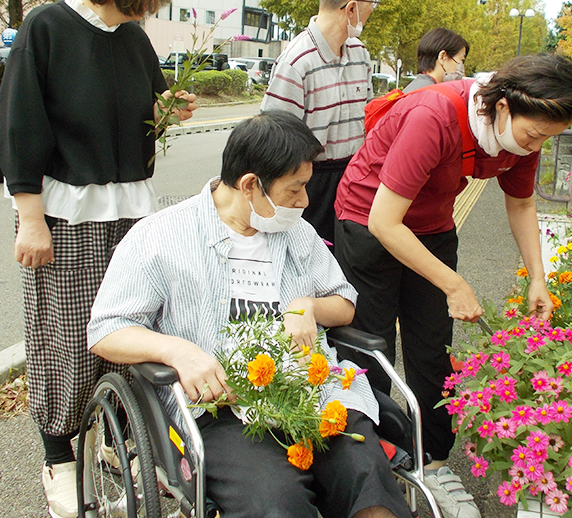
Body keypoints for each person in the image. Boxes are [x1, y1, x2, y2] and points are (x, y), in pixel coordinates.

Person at [87, 111, 412, 518]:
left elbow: (344, 303)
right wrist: (178, 352)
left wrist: (306, 305)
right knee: (276, 501)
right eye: (295, 190)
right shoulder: (159, 238)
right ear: (250, 186)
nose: (305, 202)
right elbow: (106, 330)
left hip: (312, 394)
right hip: (221, 408)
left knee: (368, 482)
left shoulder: (297, 233)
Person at [0, 0, 197, 518]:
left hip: (129, 210)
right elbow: (18, 126)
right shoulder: (48, 27)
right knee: (65, 337)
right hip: (64, 213)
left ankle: (118, 442)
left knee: (129, 329)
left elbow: (142, 106)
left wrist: (167, 110)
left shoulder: (131, 38)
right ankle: (59, 459)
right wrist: (30, 218)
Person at [334, 54, 572, 518]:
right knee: (370, 346)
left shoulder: (517, 141)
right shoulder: (435, 115)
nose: (536, 147)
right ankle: (365, 463)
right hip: (369, 221)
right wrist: (453, 283)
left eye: (548, 139)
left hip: (430, 224)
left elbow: (523, 205)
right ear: (504, 107)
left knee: (433, 348)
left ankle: (432, 463)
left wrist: (538, 278)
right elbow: (385, 222)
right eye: (535, 135)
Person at [261, 0, 377, 246]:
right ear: (352, 8)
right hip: (312, 182)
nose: (373, 9)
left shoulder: (360, 53)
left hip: (355, 175)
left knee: (349, 267)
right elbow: (273, 141)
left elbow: (369, 115)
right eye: (372, 1)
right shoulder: (296, 62)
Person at [402, 28, 470, 93]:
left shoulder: (410, 89)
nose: (462, 68)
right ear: (443, 57)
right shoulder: (433, 95)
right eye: (461, 60)